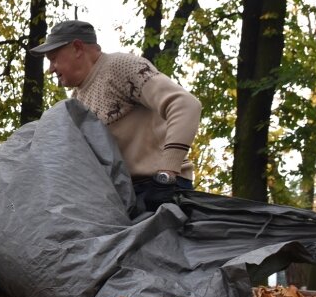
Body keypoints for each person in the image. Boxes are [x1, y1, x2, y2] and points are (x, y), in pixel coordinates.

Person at [29, 19, 202, 212]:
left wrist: (167, 174)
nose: (51, 69)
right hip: (123, 197)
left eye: (53, 59)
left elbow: (185, 105)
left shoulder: (120, 67)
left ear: (77, 48)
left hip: (161, 188)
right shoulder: (77, 100)